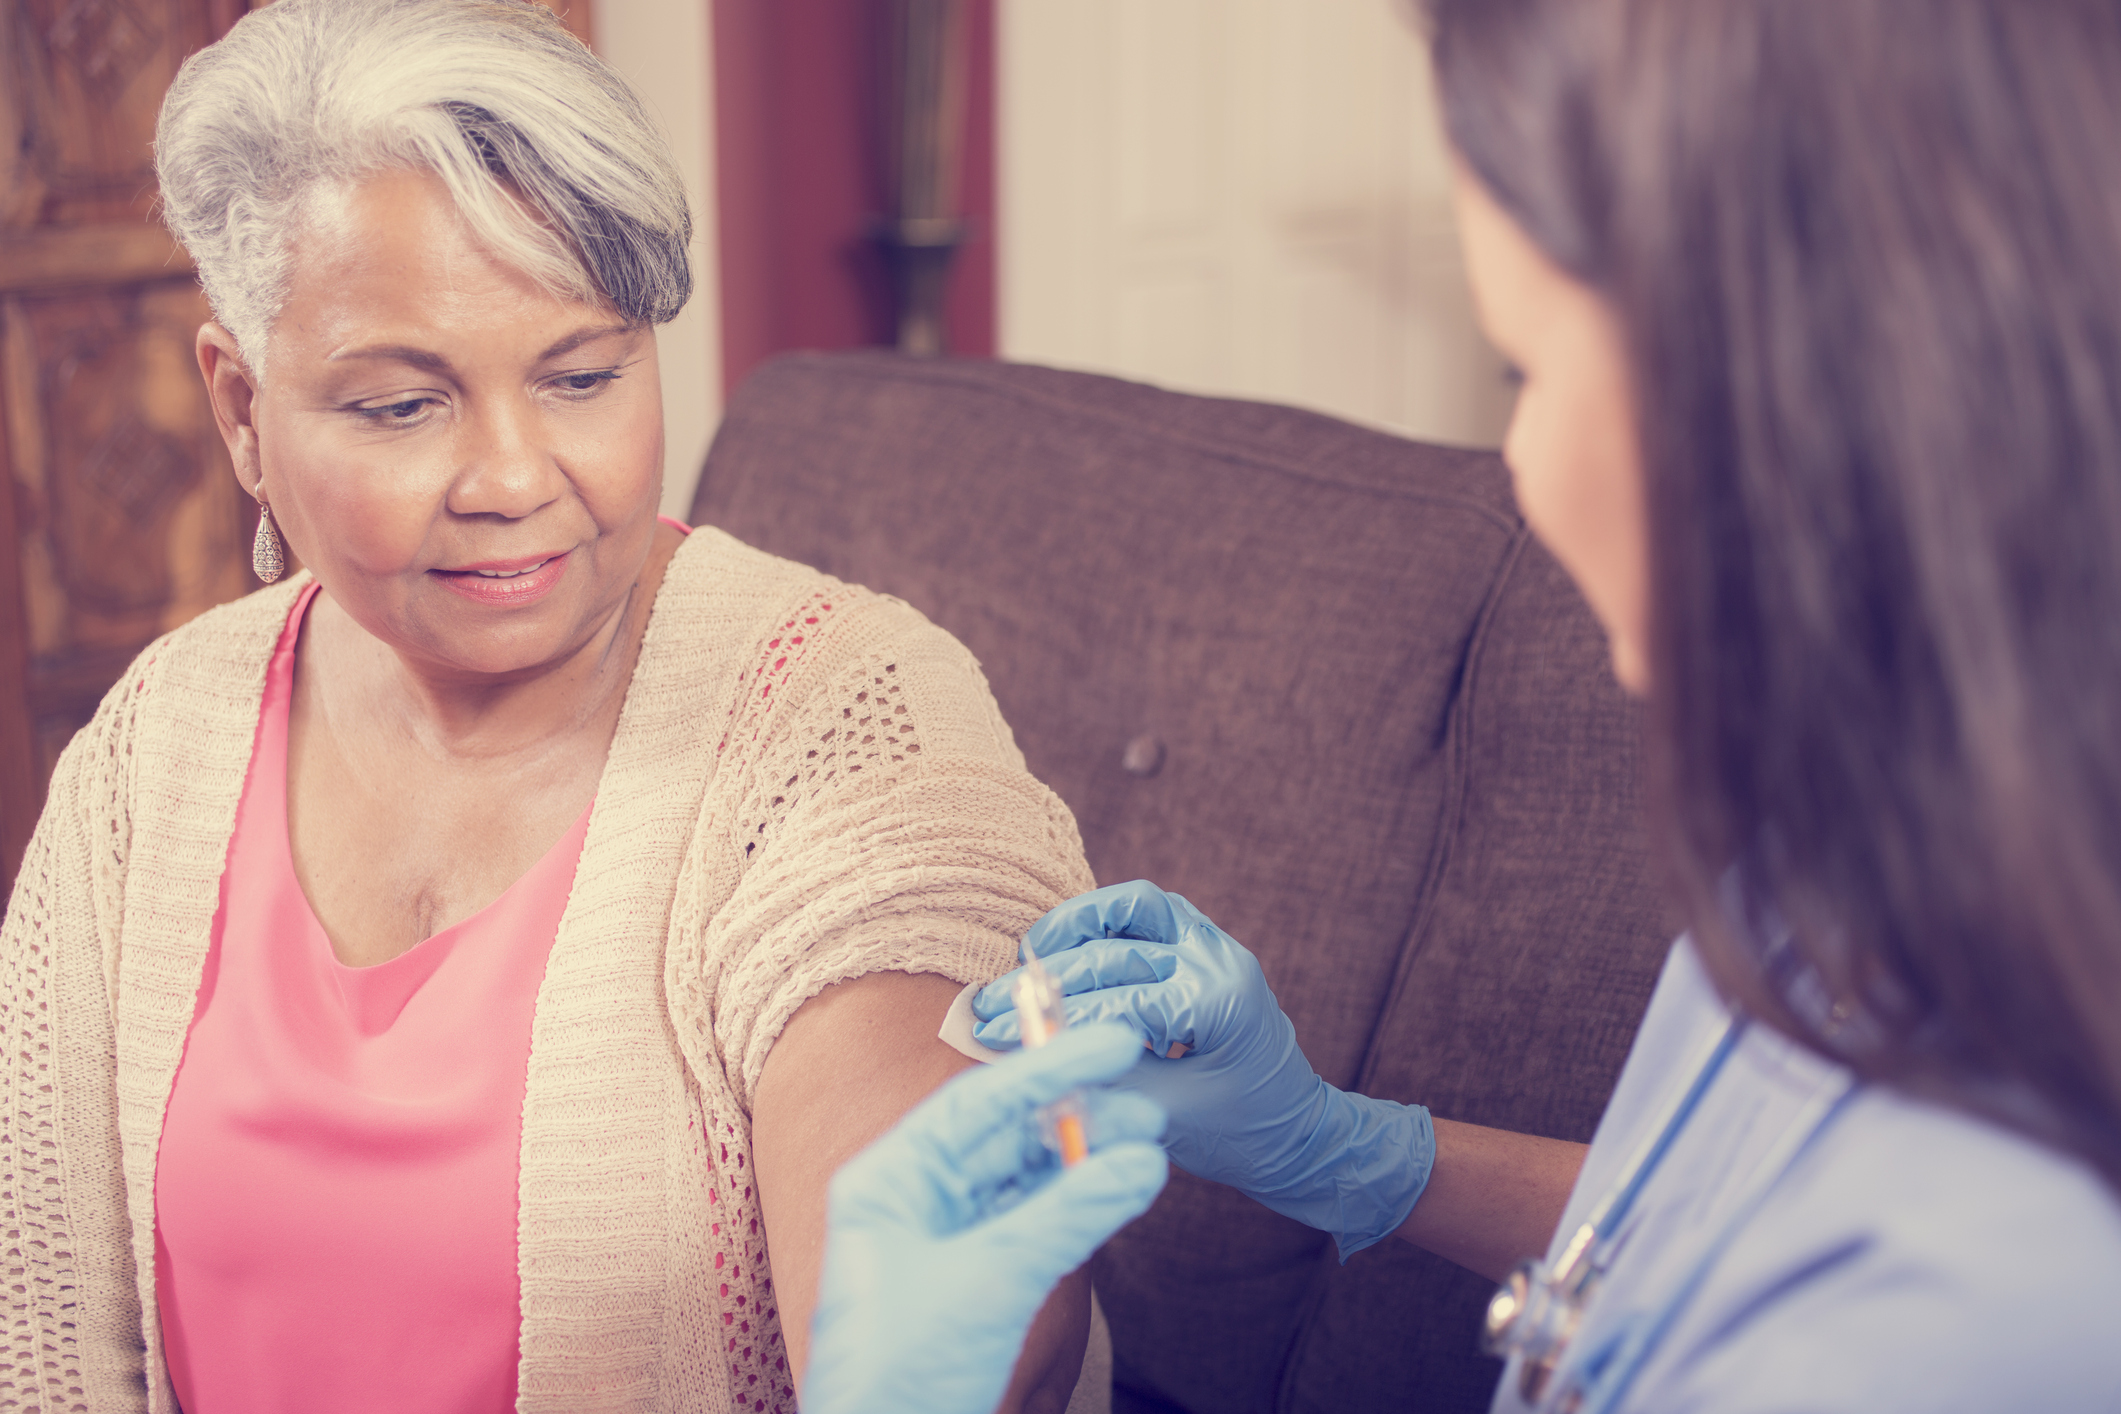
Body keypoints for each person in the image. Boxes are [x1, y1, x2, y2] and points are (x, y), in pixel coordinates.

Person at [801, 1, 2121, 1411]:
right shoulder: (1846, 854)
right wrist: (1345, 1148)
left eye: (1525, 369)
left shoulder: (1972, 1318)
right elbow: (1711, 1237)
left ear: (1793, 399)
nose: (1522, 470)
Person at [0, 2, 1098, 1410]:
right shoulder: (155, 743)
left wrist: (937, 1309)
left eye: (581, 376)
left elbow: (927, 1278)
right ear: (241, 412)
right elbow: (43, 1328)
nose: (514, 479)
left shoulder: (844, 723)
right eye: (402, 406)